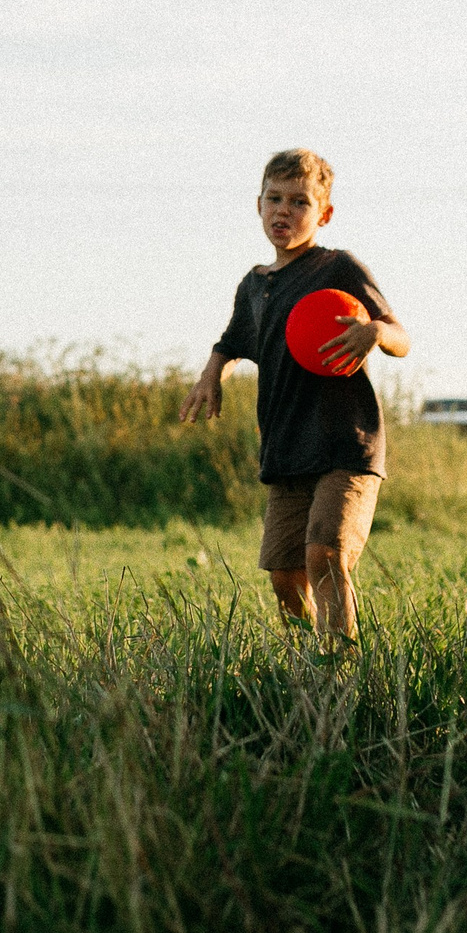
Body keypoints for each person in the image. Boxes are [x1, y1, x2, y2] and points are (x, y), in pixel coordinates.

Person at [180, 149, 409, 646]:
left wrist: (373, 332)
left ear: (323, 213)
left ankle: (340, 670)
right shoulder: (254, 285)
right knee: (285, 575)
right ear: (258, 205)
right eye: (274, 199)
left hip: (346, 445)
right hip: (286, 449)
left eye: (300, 201)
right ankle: (309, 663)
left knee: (324, 553)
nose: (284, 210)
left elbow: (401, 336)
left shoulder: (338, 268)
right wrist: (211, 374)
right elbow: (232, 341)